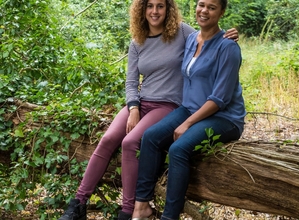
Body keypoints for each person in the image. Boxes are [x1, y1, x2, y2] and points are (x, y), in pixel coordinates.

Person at [58, 0, 239, 219]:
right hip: (142, 102)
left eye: (160, 6)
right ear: (141, 10)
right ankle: (78, 203)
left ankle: (128, 210)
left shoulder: (183, 33)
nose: (155, 11)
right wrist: (133, 107)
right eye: (150, 6)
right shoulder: (138, 42)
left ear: (168, 9)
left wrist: (229, 35)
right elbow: (131, 81)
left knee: (130, 142)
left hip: (168, 104)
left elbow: (210, 35)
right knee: (107, 140)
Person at [131, 0, 246, 219]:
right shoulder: (192, 38)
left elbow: (220, 98)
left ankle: (170, 216)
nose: (204, 11)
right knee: (151, 137)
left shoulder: (228, 47)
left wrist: (188, 123)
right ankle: (141, 207)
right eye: (201, 4)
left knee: (178, 149)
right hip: (191, 108)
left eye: (212, 7)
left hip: (224, 116)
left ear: (221, 12)